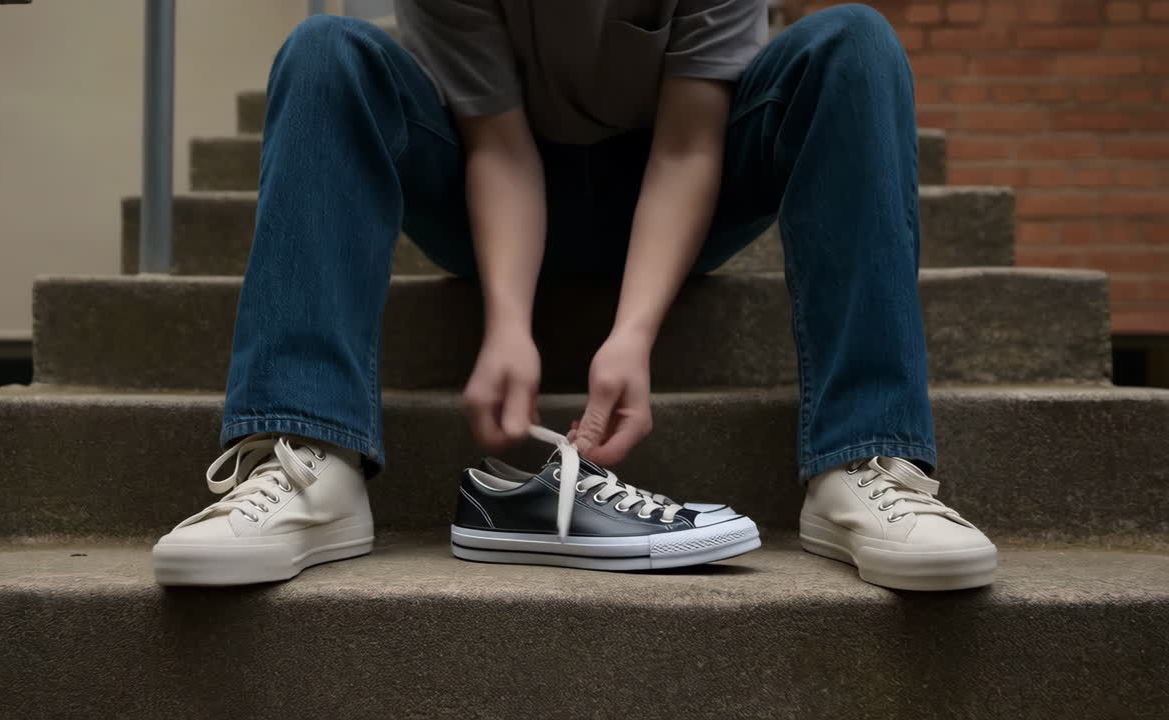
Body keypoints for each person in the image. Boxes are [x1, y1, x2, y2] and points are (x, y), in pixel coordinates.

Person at [151, 1, 997, 591]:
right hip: (488, 181)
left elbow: (689, 146)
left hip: (673, 180)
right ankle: (310, 461)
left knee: (856, 45)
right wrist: (510, 325)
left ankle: (864, 458)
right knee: (325, 51)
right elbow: (498, 146)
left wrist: (633, 333)